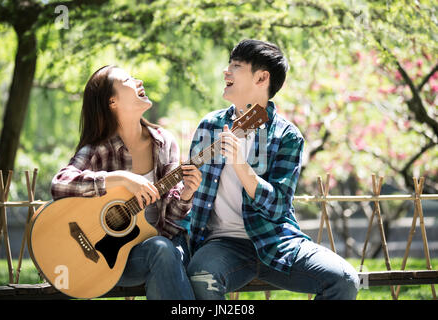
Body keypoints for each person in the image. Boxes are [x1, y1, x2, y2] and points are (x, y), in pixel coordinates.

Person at [186, 39, 360, 300]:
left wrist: (241, 166)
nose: (226, 71)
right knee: (201, 276)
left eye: (236, 66)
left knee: (344, 280)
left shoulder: (286, 135)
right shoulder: (209, 126)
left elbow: (278, 207)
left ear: (261, 77)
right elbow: (191, 193)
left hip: (276, 241)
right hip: (221, 245)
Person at [51, 65, 201, 300]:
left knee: (163, 249)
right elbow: (60, 184)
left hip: (158, 250)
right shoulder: (99, 149)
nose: (139, 81)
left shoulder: (164, 143)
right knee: (162, 250)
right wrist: (120, 179)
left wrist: (186, 194)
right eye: (128, 80)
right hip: (109, 259)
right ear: (113, 102)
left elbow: (171, 220)